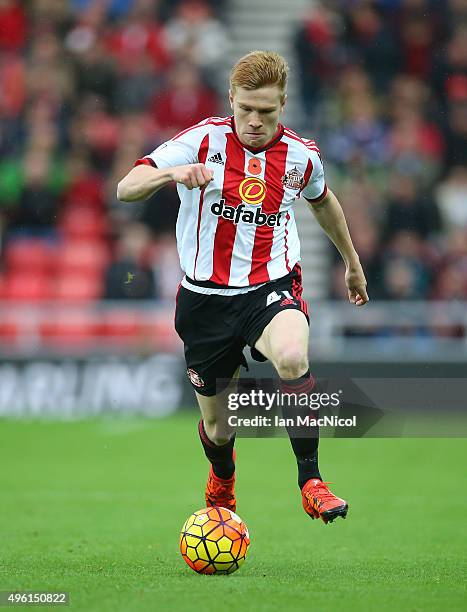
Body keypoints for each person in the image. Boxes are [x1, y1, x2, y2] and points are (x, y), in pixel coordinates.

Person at [117, 51, 369, 524]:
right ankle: (223, 478)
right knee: (218, 426)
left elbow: (323, 201)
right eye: (246, 109)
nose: (255, 121)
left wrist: (352, 263)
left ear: (283, 105)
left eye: (267, 111)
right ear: (231, 98)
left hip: (268, 288)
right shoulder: (201, 141)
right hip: (204, 300)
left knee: (293, 357)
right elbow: (126, 187)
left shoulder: (301, 155)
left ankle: (311, 480)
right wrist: (172, 174)